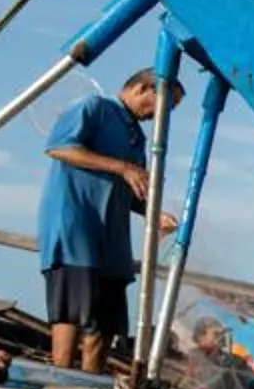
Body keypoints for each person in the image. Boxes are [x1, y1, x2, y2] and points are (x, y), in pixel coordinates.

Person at [37, 68, 177, 371]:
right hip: (76, 226)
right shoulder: (94, 107)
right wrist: (121, 167)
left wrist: (155, 213)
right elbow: (59, 147)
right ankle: (60, 377)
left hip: (112, 240)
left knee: (105, 323)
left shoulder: (137, 138)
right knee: (72, 313)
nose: (159, 116)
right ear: (142, 89)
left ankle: (91, 383)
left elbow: (132, 191)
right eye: (162, 107)